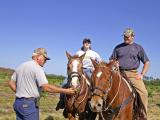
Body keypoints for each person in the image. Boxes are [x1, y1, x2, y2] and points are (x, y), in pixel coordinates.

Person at [8, 48, 76, 120]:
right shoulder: (37, 68)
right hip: (29, 105)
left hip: (18, 103)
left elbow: (11, 83)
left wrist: (21, 93)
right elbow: (46, 87)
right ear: (38, 57)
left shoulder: (21, 66)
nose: (45, 61)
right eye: (45, 58)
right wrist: (66, 91)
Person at [109, 28, 149, 119]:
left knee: (144, 93)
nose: (125, 38)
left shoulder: (138, 47)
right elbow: (111, 59)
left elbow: (147, 62)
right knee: (104, 87)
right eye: (124, 36)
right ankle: (104, 111)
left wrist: (142, 74)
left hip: (132, 74)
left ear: (133, 37)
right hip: (118, 72)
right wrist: (114, 62)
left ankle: (143, 115)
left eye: (127, 36)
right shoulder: (118, 47)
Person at [56, 38, 102, 110]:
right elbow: (73, 61)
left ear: (90, 44)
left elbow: (100, 62)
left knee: (95, 85)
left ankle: (95, 103)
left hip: (90, 70)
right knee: (64, 83)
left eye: (88, 42)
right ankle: (61, 101)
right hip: (78, 71)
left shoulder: (94, 53)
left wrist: (95, 68)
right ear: (83, 44)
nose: (86, 43)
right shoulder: (78, 52)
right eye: (85, 42)